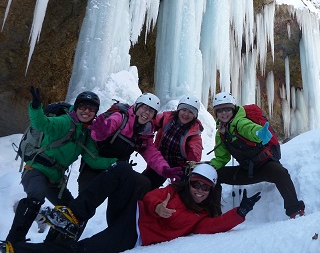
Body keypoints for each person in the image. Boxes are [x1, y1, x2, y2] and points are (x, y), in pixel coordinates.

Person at [2, 163, 261, 253]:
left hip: (132, 235)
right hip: (132, 211)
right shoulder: (174, 191)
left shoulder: (200, 217)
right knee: (123, 170)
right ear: (189, 182)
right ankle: (74, 213)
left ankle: (17, 249)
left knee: (81, 250)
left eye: (205, 188)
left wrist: (240, 212)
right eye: (196, 184)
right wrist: (158, 207)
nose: (199, 191)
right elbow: (152, 197)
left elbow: (215, 226)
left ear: (212, 191)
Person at [3, 87, 117, 246]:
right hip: (36, 170)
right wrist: (36, 107)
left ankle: (51, 246)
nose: (86, 111)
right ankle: (13, 243)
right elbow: (41, 123)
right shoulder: (64, 122)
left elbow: (93, 159)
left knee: (72, 211)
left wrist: (116, 163)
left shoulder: (86, 133)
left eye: (91, 108)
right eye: (82, 107)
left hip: (55, 179)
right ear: (76, 108)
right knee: (37, 195)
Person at [78, 92, 183, 222]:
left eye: (151, 111)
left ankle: (118, 225)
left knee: (143, 183)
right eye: (144, 107)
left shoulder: (144, 131)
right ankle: (65, 232)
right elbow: (105, 127)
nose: (146, 112)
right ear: (137, 106)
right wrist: (101, 133)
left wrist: (164, 169)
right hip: (94, 166)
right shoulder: (121, 117)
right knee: (86, 204)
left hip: (119, 171)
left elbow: (151, 152)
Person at [209, 91, 305, 218]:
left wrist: (260, 133)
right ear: (216, 113)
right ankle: (214, 216)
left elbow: (250, 129)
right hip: (246, 170)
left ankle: (295, 210)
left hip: (265, 166)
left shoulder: (240, 123)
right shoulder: (220, 133)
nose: (224, 113)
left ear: (233, 109)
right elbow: (222, 157)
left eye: (227, 109)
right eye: (220, 110)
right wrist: (211, 166)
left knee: (280, 173)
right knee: (212, 175)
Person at [142, 95, 204, 189]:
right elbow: (152, 123)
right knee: (144, 184)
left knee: (177, 192)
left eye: (190, 112)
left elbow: (194, 159)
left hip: (179, 167)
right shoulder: (167, 118)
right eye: (184, 110)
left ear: (195, 116)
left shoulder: (194, 134)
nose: (186, 114)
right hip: (160, 160)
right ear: (178, 110)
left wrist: (189, 172)